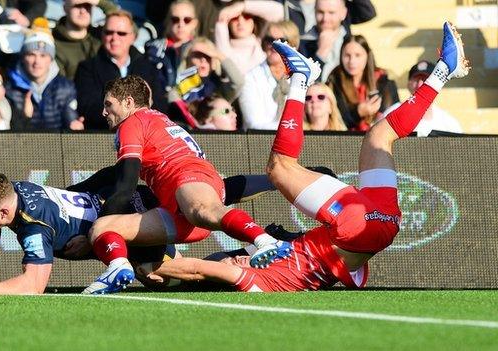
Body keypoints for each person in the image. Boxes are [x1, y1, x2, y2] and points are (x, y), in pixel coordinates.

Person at [140, 21, 470, 292]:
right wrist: (136, 266)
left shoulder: (268, 270)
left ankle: (443, 71)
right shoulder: (256, 281)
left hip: (382, 223)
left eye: (232, 259)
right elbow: (199, 268)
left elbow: (207, 267)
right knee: (280, 168)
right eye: (231, 263)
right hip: (354, 229)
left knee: (379, 136)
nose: (233, 261)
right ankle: (300, 79)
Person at [82, 75, 293, 294]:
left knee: (202, 210)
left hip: (188, 179)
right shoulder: (156, 119)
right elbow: (115, 176)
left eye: (108, 104)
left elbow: (126, 185)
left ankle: (266, 241)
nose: (104, 112)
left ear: (128, 102)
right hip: (181, 206)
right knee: (106, 231)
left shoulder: (133, 122)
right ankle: (118, 267)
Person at [0, 170, 281, 295]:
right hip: (118, 202)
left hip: (128, 217)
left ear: (5, 211)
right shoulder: (13, 188)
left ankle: (251, 272)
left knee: (159, 274)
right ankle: (276, 183)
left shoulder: (33, 227)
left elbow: (33, 286)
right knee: (214, 194)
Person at [74, 9, 167, 130]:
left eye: (121, 33)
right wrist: (134, 112)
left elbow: (160, 105)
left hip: (144, 136)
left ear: (133, 37)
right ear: (102, 35)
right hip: (102, 138)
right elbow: (88, 107)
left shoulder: (148, 67)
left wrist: (117, 110)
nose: (114, 38)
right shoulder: (87, 68)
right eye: (109, 32)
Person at [7, 20, 84, 131]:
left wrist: (74, 125)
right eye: (31, 55)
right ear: (23, 58)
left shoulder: (65, 87)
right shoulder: (10, 87)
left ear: (51, 59)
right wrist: (24, 118)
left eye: (43, 55)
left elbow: (70, 116)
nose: (37, 62)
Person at [326, 35, 398, 131]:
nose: (352, 61)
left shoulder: (385, 83)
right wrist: (358, 112)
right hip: (344, 139)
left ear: (367, 56)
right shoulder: (334, 82)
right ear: (341, 56)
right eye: (347, 55)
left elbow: (394, 116)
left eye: (357, 55)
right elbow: (334, 118)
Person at [239, 20, 301, 130]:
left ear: (293, 45)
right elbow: (254, 123)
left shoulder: (301, 78)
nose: (274, 46)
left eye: (281, 41)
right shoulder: (251, 78)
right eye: (269, 40)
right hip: (260, 141)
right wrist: (290, 130)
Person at [381, 60, 462, 137]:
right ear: (408, 84)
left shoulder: (449, 123)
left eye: (425, 80)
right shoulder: (391, 114)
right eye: (416, 80)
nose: (419, 85)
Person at [53, 0, 118, 80]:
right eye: (77, 6)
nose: (83, 11)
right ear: (65, 7)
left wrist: (99, 2)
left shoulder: (101, 35)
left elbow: (125, 25)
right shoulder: (53, 43)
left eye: (87, 6)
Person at [145, 0, 199, 94]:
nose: (181, 24)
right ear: (168, 21)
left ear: (195, 23)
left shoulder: (202, 50)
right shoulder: (152, 49)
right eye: (175, 19)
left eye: (187, 20)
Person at [299, 0, 350, 82]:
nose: (325, 18)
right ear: (314, 11)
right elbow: (303, 82)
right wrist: (321, 53)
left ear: (343, 13)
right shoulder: (301, 44)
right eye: (320, 12)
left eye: (331, 12)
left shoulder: (351, 42)